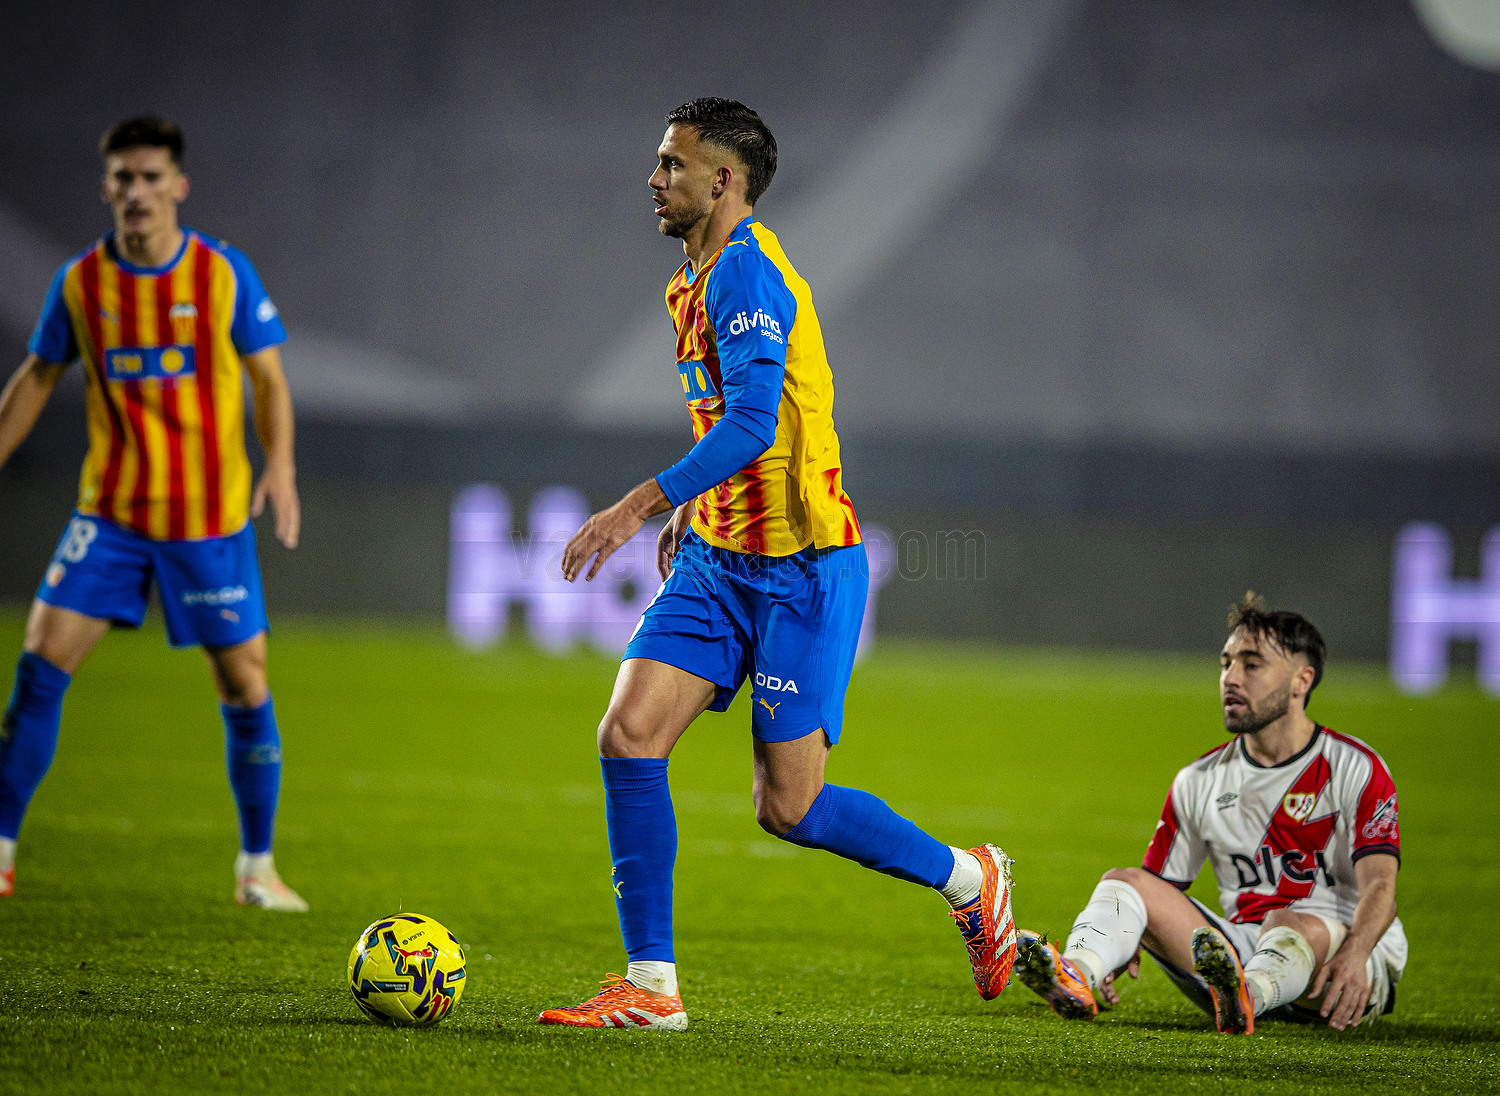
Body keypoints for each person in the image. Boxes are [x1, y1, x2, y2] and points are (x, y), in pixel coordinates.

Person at [537, 98, 1015, 1030]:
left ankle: (969, 878)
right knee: (627, 735)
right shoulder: (691, 278)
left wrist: (640, 505)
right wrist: (697, 508)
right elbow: (735, 421)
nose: (654, 179)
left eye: (673, 164)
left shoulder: (747, 274)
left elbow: (756, 422)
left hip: (803, 573)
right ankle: (651, 988)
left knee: (788, 808)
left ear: (723, 180)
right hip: (718, 562)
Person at [0, 116, 307, 911]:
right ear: (106, 187)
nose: (136, 191)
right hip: (110, 516)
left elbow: (269, 379)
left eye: (150, 177)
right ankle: (0, 849)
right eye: (123, 178)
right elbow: (37, 376)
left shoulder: (221, 273)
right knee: (39, 666)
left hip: (208, 521)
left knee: (245, 685)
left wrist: (280, 466)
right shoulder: (80, 283)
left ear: (178, 186)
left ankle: (257, 868)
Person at [1013, 594, 1405, 1034]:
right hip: (1239, 954)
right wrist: (1125, 934)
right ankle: (1077, 973)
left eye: (1251, 665)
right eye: (1225, 663)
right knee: (1124, 883)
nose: (1230, 678)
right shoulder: (1199, 779)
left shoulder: (1354, 767)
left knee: (1285, 920)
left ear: (1301, 680)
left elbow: (1382, 887)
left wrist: (1357, 952)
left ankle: (1248, 994)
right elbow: (1158, 889)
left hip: (1346, 964)